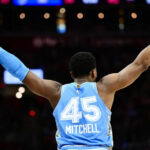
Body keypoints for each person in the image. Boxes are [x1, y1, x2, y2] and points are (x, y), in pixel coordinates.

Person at [0, 45, 150, 150]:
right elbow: (141, 63)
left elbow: (21, 72)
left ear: (71, 74)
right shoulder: (104, 87)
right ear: (93, 73)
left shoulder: (56, 92)